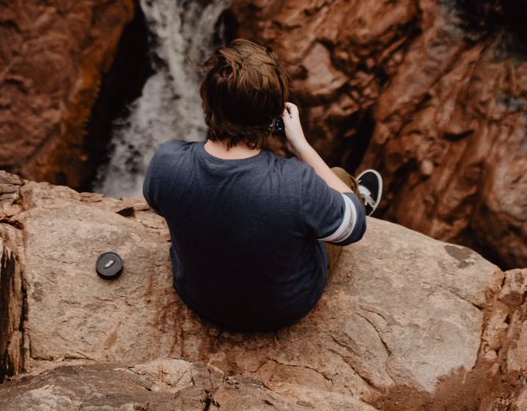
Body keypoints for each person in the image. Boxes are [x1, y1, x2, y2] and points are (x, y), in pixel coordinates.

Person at [142, 38, 383, 332]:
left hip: (199, 298)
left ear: (207, 103)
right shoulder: (297, 184)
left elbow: (157, 204)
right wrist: (301, 146)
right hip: (281, 310)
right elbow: (355, 228)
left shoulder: (166, 164)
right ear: (274, 118)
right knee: (339, 178)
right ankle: (349, 200)